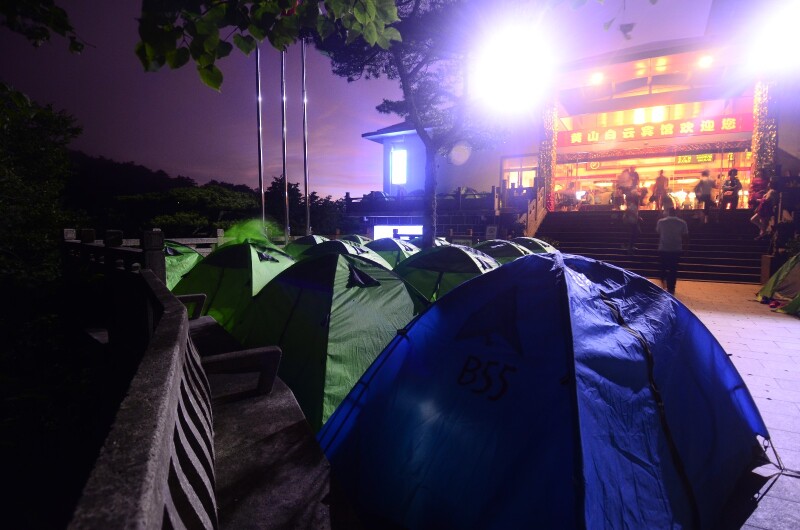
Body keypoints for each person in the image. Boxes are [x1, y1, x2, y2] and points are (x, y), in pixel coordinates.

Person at [656, 207, 689, 295]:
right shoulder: (682, 222)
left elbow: (658, 232)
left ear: (668, 212)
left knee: (663, 266)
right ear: (676, 213)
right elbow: (685, 236)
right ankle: (671, 288)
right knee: (673, 269)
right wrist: (685, 249)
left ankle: (663, 282)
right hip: (676, 248)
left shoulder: (661, 222)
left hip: (663, 247)